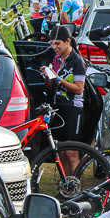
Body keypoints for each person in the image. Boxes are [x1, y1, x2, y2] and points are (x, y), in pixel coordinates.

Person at [40, 26, 88, 174]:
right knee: (60, 150)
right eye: (52, 44)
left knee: (71, 153)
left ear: (68, 41)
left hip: (74, 108)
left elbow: (79, 88)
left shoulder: (77, 60)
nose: (54, 47)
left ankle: (76, 188)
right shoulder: (55, 59)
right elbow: (50, 87)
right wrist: (48, 77)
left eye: (57, 43)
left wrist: (59, 79)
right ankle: (67, 185)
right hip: (58, 106)